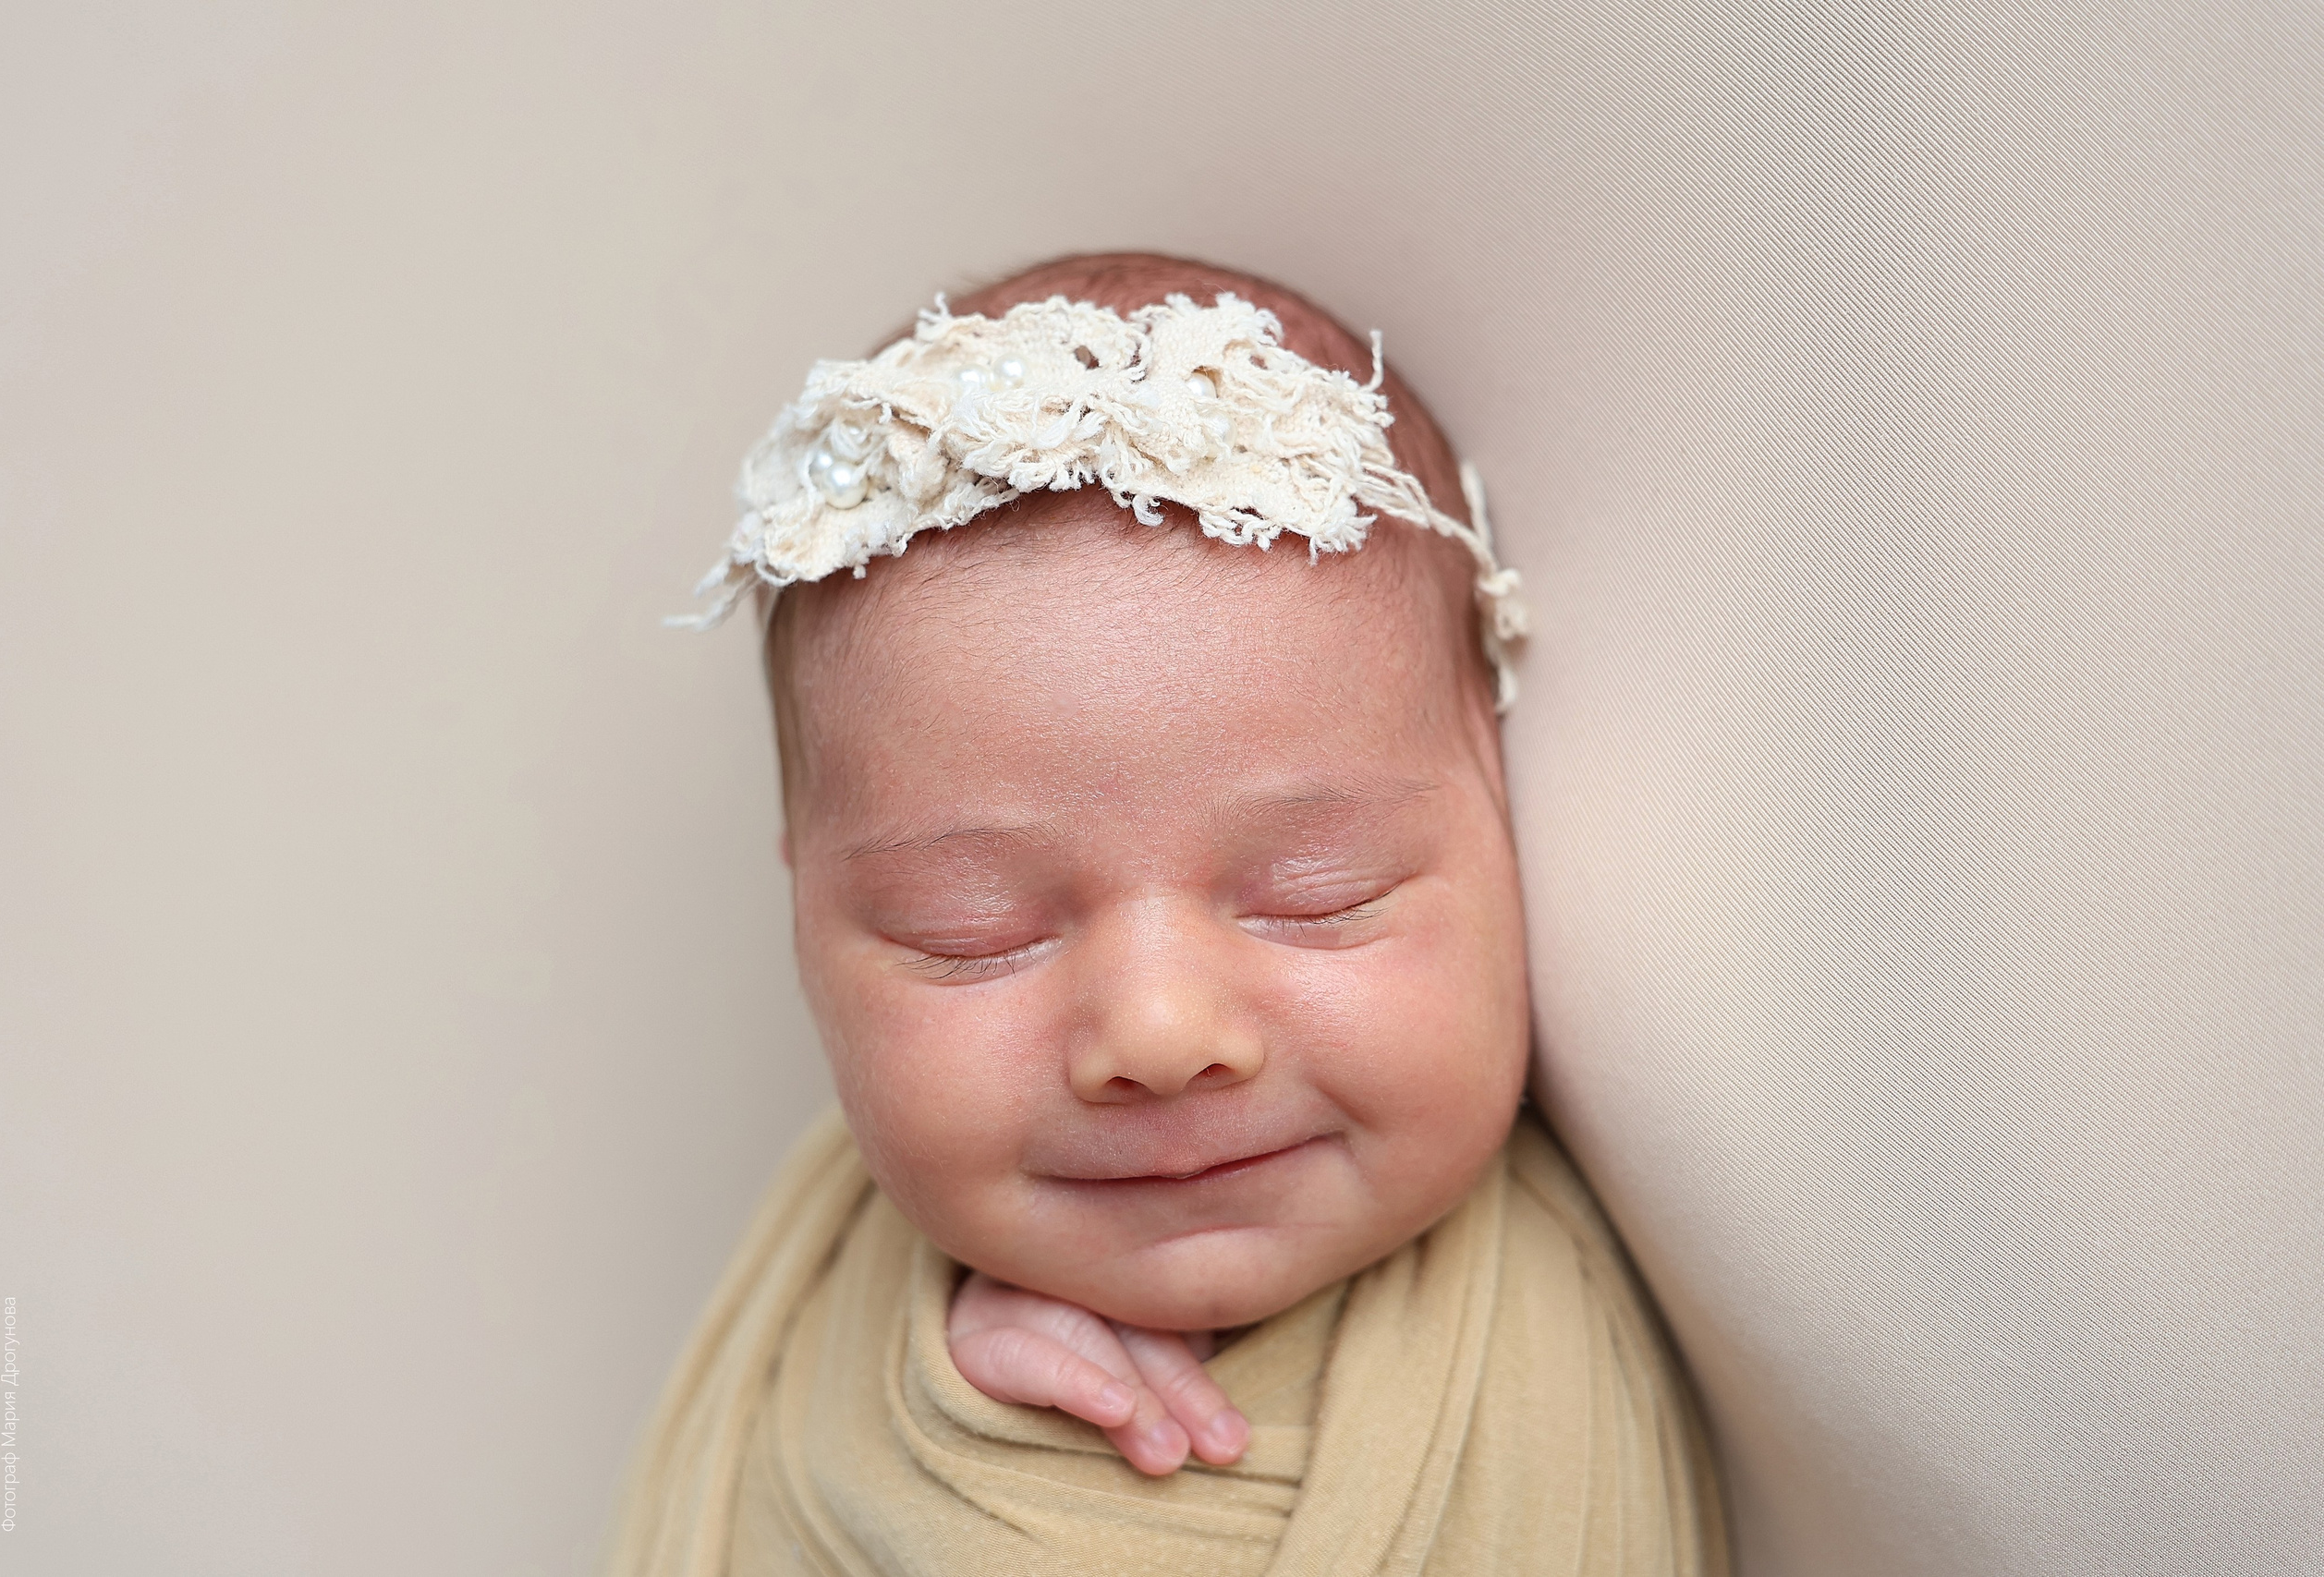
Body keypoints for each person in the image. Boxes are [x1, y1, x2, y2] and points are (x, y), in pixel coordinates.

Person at [608, 253, 1726, 1576]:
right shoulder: (833, 1303)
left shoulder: (1570, 1323)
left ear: (1503, 807)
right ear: (805, 915)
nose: (1157, 1030)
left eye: (1319, 893)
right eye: (972, 929)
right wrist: (934, 1430)